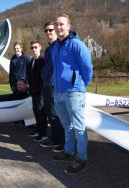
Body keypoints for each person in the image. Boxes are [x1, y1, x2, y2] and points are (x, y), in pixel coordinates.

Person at [51, 14, 93, 175]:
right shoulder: (56, 46)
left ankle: (81, 158)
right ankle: (68, 151)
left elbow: (87, 67)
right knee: (66, 125)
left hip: (74, 93)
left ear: (69, 26)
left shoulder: (77, 45)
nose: (58, 27)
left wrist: (81, 86)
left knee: (79, 128)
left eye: (61, 24)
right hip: (59, 92)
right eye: (56, 24)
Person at [39, 21, 65, 153]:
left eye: (50, 30)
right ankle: (54, 139)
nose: (48, 32)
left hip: (55, 85)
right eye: (46, 31)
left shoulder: (60, 46)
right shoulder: (48, 49)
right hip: (46, 84)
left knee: (56, 114)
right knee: (49, 113)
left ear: (55, 30)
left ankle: (62, 142)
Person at [27, 41, 48, 142]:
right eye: (32, 48)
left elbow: (43, 77)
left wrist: (40, 89)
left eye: (35, 47)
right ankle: (38, 130)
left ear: (40, 47)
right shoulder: (32, 61)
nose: (34, 49)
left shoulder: (43, 60)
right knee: (36, 111)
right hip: (33, 91)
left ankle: (43, 133)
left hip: (40, 91)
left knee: (41, 111)